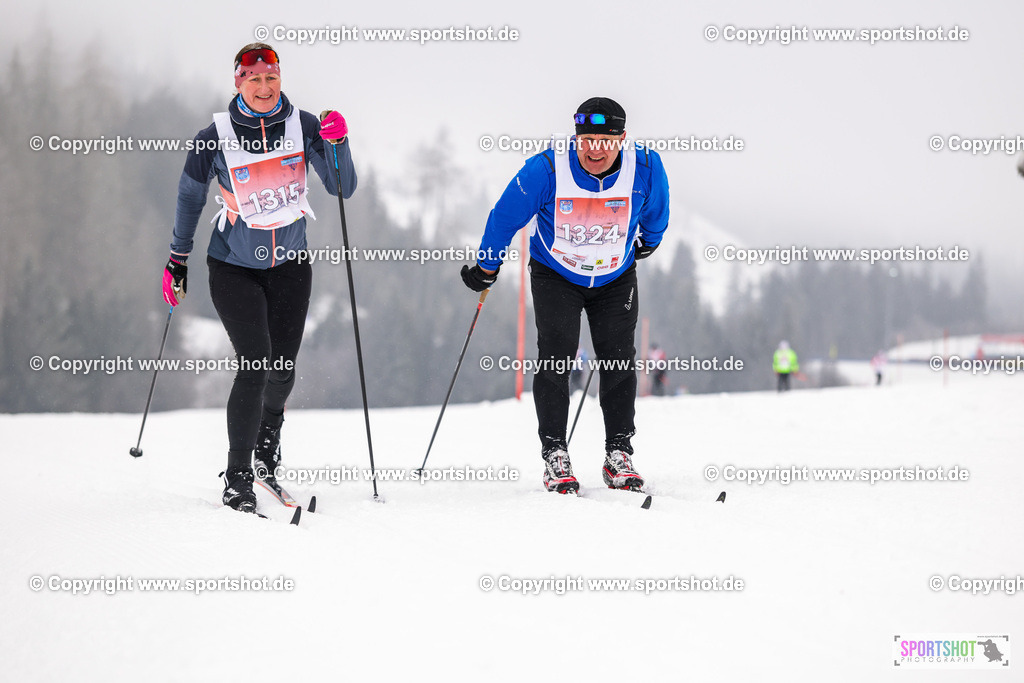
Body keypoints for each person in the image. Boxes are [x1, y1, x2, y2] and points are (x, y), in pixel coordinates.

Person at [162, 43, 357, 513]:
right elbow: (190, 199)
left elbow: (341, 186)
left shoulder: (305, 125)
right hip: (232, 266)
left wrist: (338, 143)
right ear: (238, 82)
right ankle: (237, 476)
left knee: (282, 372)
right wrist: (177, 259)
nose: (264, 87)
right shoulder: (214, 136)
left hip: (290, 266)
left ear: (280, 78)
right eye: (254, 79)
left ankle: (267, 451)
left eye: (271, 78)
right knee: (255, 363)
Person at [461, 97, 670, 493]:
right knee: (557, 353)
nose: (595, 149)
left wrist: (651, 240)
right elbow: (505, 216)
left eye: (605, 141)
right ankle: (555, 454)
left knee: (619, 358)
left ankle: (618, 453)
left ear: (622, 140)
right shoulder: (546, 168)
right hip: (556, 274)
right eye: (587, 139)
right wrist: (487, 266)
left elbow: (658, 209)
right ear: (576, 139)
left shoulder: (645, 166)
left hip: (615, 277)